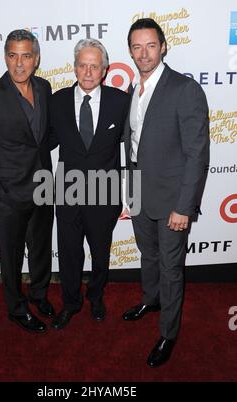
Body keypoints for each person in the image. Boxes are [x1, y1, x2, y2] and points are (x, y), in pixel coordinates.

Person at [122, 18, 210, 367]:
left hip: (173, 200)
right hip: (139, 194)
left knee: (171, 267)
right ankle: (151, 298)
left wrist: (184, 207)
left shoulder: (184, 89)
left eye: (150, 46)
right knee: (148, 256)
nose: (143, 53)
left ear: (163, 47)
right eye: (136, 47)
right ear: (130, 50)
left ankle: (168, 333)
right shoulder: (132, 88)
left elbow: (196, 154)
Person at [0, 29, 55, 333]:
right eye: (13, 55)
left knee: (42, 249)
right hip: (9, 195)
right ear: (5, 57)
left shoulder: (44, 88)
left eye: (26, 55)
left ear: (36, 58)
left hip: (44, 188)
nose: (19, 64)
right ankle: (16, 309)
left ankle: (39, 294)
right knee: (12, 257)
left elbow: (43, 139)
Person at [50, 38, 129, 330]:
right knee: (69, 252)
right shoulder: (56, 101)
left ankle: (96, 297)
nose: (87, 72)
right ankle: (71, 303)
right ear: (74, 67)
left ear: (105, 69)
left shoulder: (120, 102)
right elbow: (44, 141)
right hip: (68, 193)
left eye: (94, 66)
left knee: (100, 252)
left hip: (104, 193)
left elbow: (133, 149)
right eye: (82, 65)